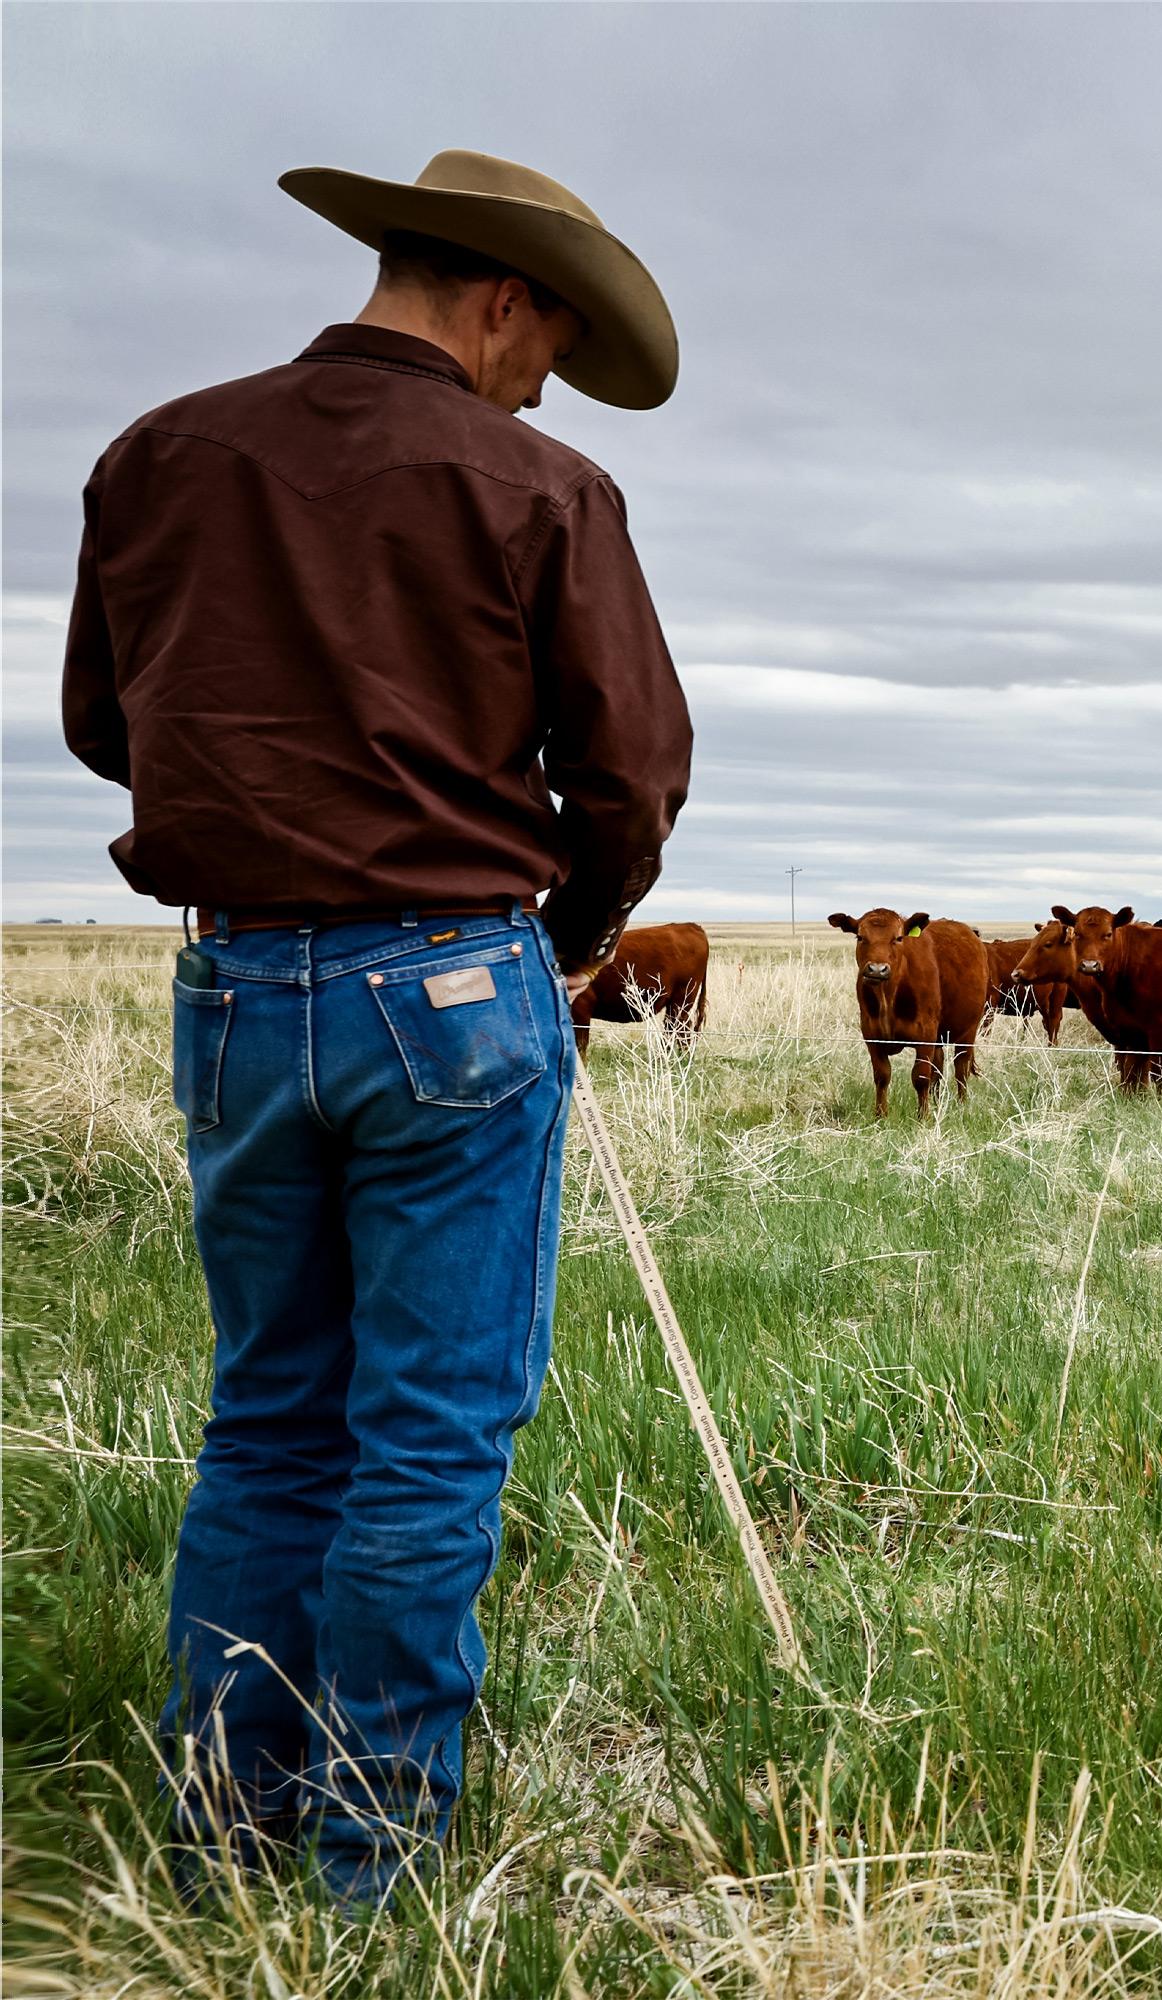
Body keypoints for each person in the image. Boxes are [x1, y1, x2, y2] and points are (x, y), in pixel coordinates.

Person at [59, 149, 693, 1909]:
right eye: (547, 344)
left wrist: (275, 791)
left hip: (241, 988)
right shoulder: (544, 485)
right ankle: (373, 1873)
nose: (542, 381)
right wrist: (551, 936)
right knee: (425, 1435)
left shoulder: (160, 454)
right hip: (455, 989)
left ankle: (218, 1833)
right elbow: (630, 771)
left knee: (268, 1415)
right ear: (501, 297)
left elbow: (112, 724)